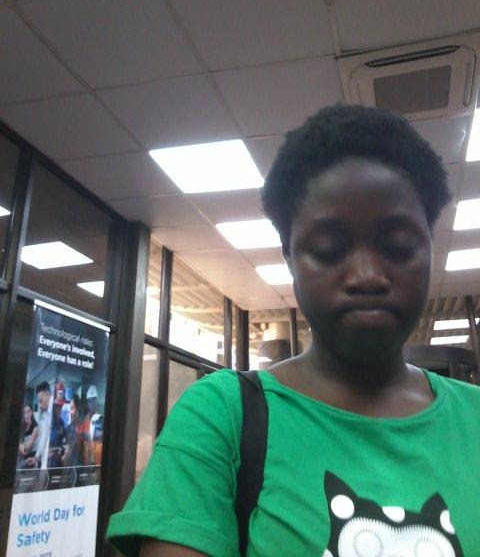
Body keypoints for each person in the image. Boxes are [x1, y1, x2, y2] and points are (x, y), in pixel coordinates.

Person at [107, 105, 480, 556]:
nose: (366, 275)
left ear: (430, 249)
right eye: (328, 248)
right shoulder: (223, 416)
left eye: (399, 246)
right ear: (289, 257)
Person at [26, 381, 52, 469]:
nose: (40, 405)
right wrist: (36, 457)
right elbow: (44, 436)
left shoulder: (53, 411)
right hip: (43, 459)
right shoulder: (47, 414)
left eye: (41, 401)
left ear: (47, 395)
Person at [18, 404, 39, 469]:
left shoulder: (35, 427)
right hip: (21, 460)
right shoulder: (20, 426)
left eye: (28, 412)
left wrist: (21, 445)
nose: (26, 415)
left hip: (32, 459)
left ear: (32, 412)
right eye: (24, 413)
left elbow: (27, 447)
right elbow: (23, 450)